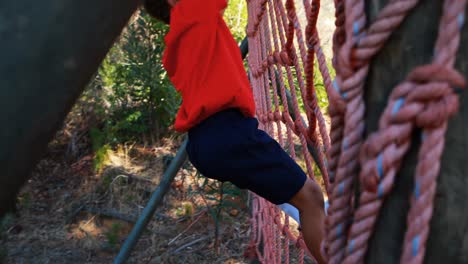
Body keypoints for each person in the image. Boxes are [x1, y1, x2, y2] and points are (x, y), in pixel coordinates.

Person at [143, 0, 326, 262]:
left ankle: (323, 228)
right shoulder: (192, 12)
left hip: (206, 142)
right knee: (311, 197)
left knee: (298, 197)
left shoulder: (182, 37)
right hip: (227, 133)